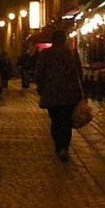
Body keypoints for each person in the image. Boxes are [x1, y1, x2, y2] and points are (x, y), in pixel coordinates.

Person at [33, 28, 83, 161]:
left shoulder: (45, 54)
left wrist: (41, 87)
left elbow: (39, 73)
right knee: (66, 121)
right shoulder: (71, 54)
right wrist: (79, 91)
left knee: (55, 120)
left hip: (52, 94)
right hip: (69, 94)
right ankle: (64, 148)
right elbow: (78, 74)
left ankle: (58, 145)